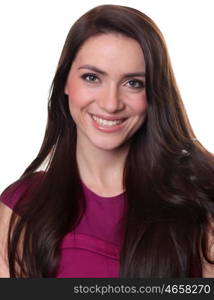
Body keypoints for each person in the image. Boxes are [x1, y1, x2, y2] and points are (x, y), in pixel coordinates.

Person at [0, 4, 214, 278]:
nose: (111, 104)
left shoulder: (201, 201)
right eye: (92, 77)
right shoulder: (21, 208)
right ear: (65, 81)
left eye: (133, 83)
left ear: (154, 94)